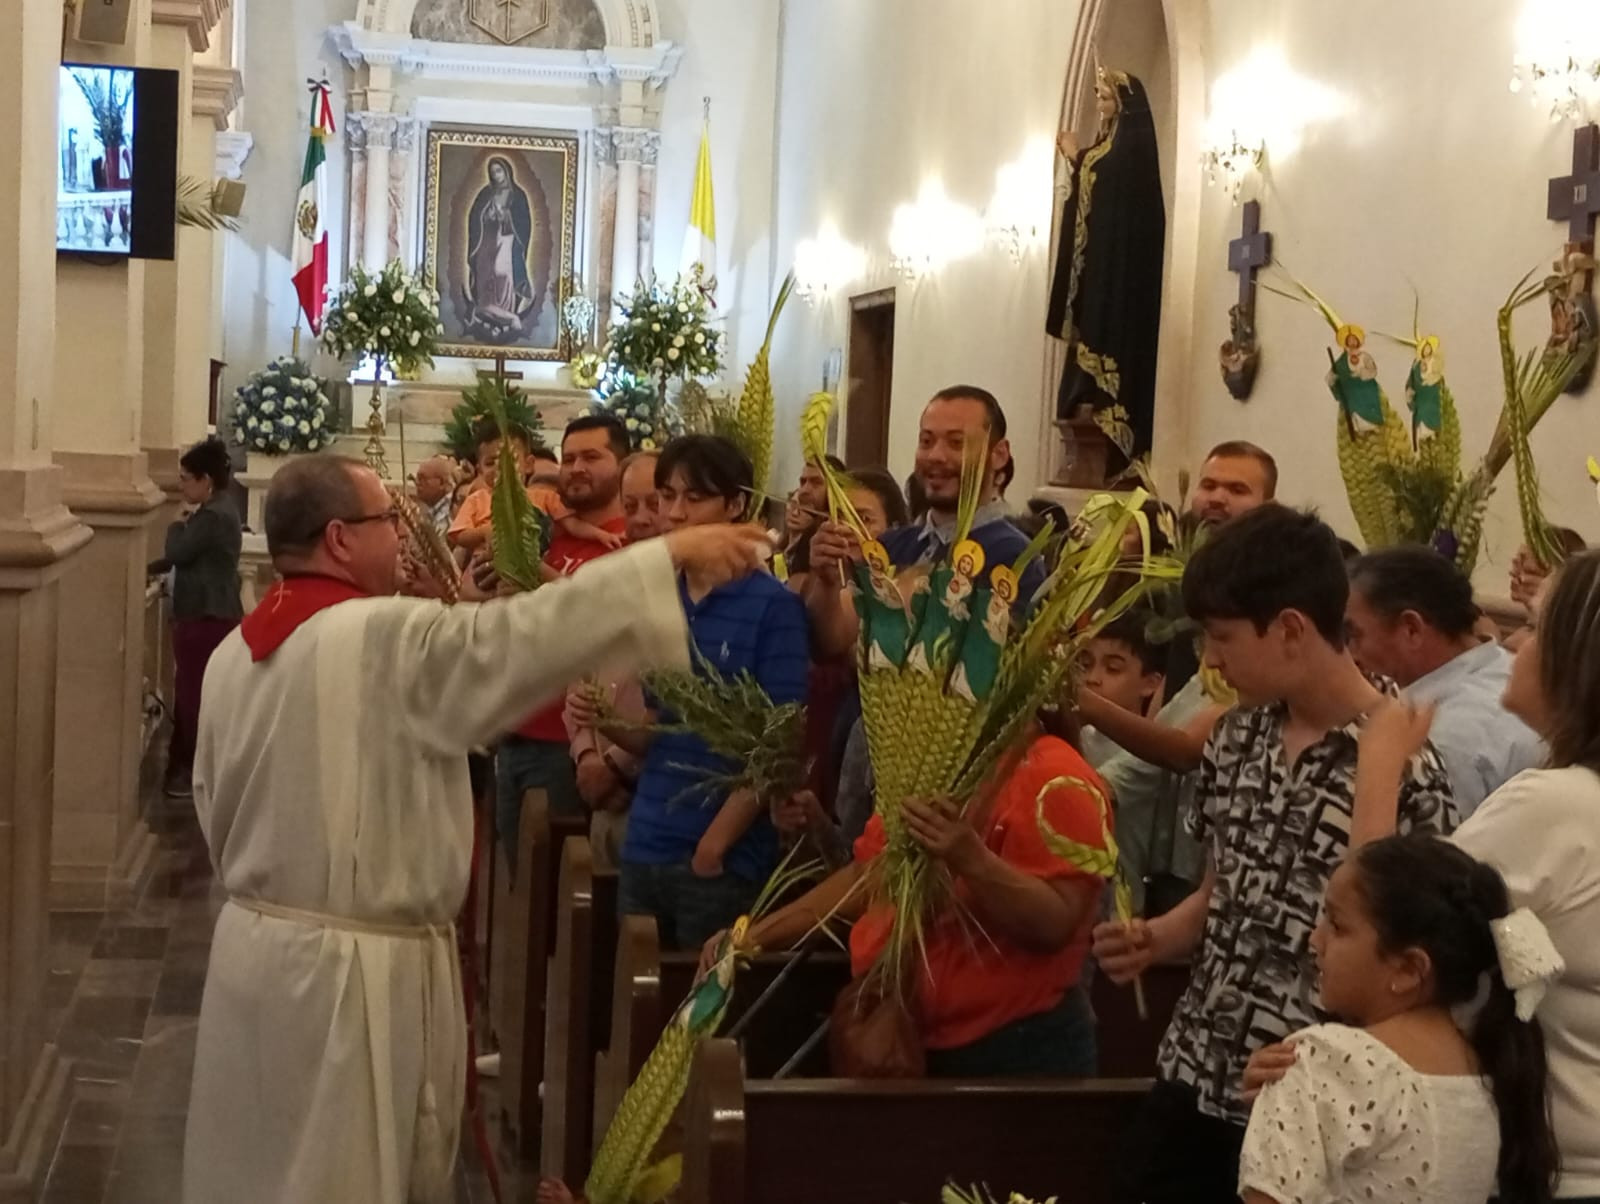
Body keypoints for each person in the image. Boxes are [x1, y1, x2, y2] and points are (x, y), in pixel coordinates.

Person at [182, 454, 769, 1204]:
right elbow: (518, 641)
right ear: (338, 538)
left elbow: (210, 797)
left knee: (257, 1167)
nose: (401, 536)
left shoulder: (238, 649)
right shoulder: (379, 635)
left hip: (253, 956)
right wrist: (667, 558)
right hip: (346, 985)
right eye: (386, 522)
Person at [1090, 504, 1457, 1204]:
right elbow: (1222, 889)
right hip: (1197, 1062)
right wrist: (1161, 935)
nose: (1211, 659)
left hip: (1307, 1098)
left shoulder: (1401, 761)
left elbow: (1410, 966)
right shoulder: (1236, 737)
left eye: (1222, 637)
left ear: (1290, 628)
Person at [1360, 548, 1600, 1201]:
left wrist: (1379, 769)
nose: (1514, 644)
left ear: (1578, 660)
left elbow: (1379, 932)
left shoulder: (1557, 806)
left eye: (1536, 627)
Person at [719, 721, 1111, 1076]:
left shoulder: (1058, 776)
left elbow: (1056, 923)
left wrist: (973, 861)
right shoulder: (935, 763)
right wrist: (753, 936)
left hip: (1012, 1052)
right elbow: (871, 872)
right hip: (910, 1036)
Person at [1237, 835, 1560, 1204]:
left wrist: (1285, 1105)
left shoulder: (1322, 1062)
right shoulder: (1483, 1071)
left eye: (1337, 925)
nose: (1315, 938)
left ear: (1408, 969)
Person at [580, 435, 810, 951]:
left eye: (694, 498)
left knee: (697, 1018)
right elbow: (666, 734)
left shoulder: (771, 607)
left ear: (735, 505)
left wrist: (714, 847)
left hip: (718, 859)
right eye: (667, 497)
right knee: (634, 1002)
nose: (675, 514)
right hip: (648, 840)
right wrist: (608, 721)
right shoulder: (664, 601)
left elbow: (778, 742)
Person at [806, 386, 1045, 660]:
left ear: (999, 453)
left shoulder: (1015, 556)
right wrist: (825, 581)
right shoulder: (891, 545)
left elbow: (1003, 667)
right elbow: (836, 639)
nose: (936, 456)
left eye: (956, 443)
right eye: (926, 441)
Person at [496, 414, 634, 863]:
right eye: (569, 457)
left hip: (567, 742)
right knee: (515, 887)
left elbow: (605, 621)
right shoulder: (545, 533)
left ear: (623, 463)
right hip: (514, 728)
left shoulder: (629, 543)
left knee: (554, 892)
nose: (575, 468)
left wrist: (535, 579)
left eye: (592, 457)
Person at [1345, 546, 1543, 815]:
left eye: (1353, 635)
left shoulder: (1445, 739)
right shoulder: (1504, 666)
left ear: (1411, 629)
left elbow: (1427, 850)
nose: (1348, 653)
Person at [565, 450, 663, 869]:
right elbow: (579, 678)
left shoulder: (694, 585)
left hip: (648, 788)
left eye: (654, 504)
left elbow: (680, 704)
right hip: (602, 791)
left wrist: (618, 767)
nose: (640, 518)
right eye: (631, 505)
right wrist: (586, 755)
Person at [1076, 611, 1204, 915]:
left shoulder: (1148, 752)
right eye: (1085, 665)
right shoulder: (1083, 735)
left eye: (1113, 668)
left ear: (1151, 684)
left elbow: (1089, 796)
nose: (1093, 678)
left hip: (1115, 909)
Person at [146, 437, 244, 799]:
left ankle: (186, 771)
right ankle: (185, 768)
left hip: (206, 613)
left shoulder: (213, 514)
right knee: (193, 692)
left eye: (187, 478)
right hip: (209, 611)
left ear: (207, 480)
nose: (181, 485)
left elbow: (180, 551)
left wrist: (175, 525)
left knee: (193, 696)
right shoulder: (217, 510)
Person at [413, 456, 457, 536]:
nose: (417, 483)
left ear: (442, 483)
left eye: (422, 479)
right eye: (417, 478)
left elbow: (436, 545)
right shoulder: (435, 509)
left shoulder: (449, 511)